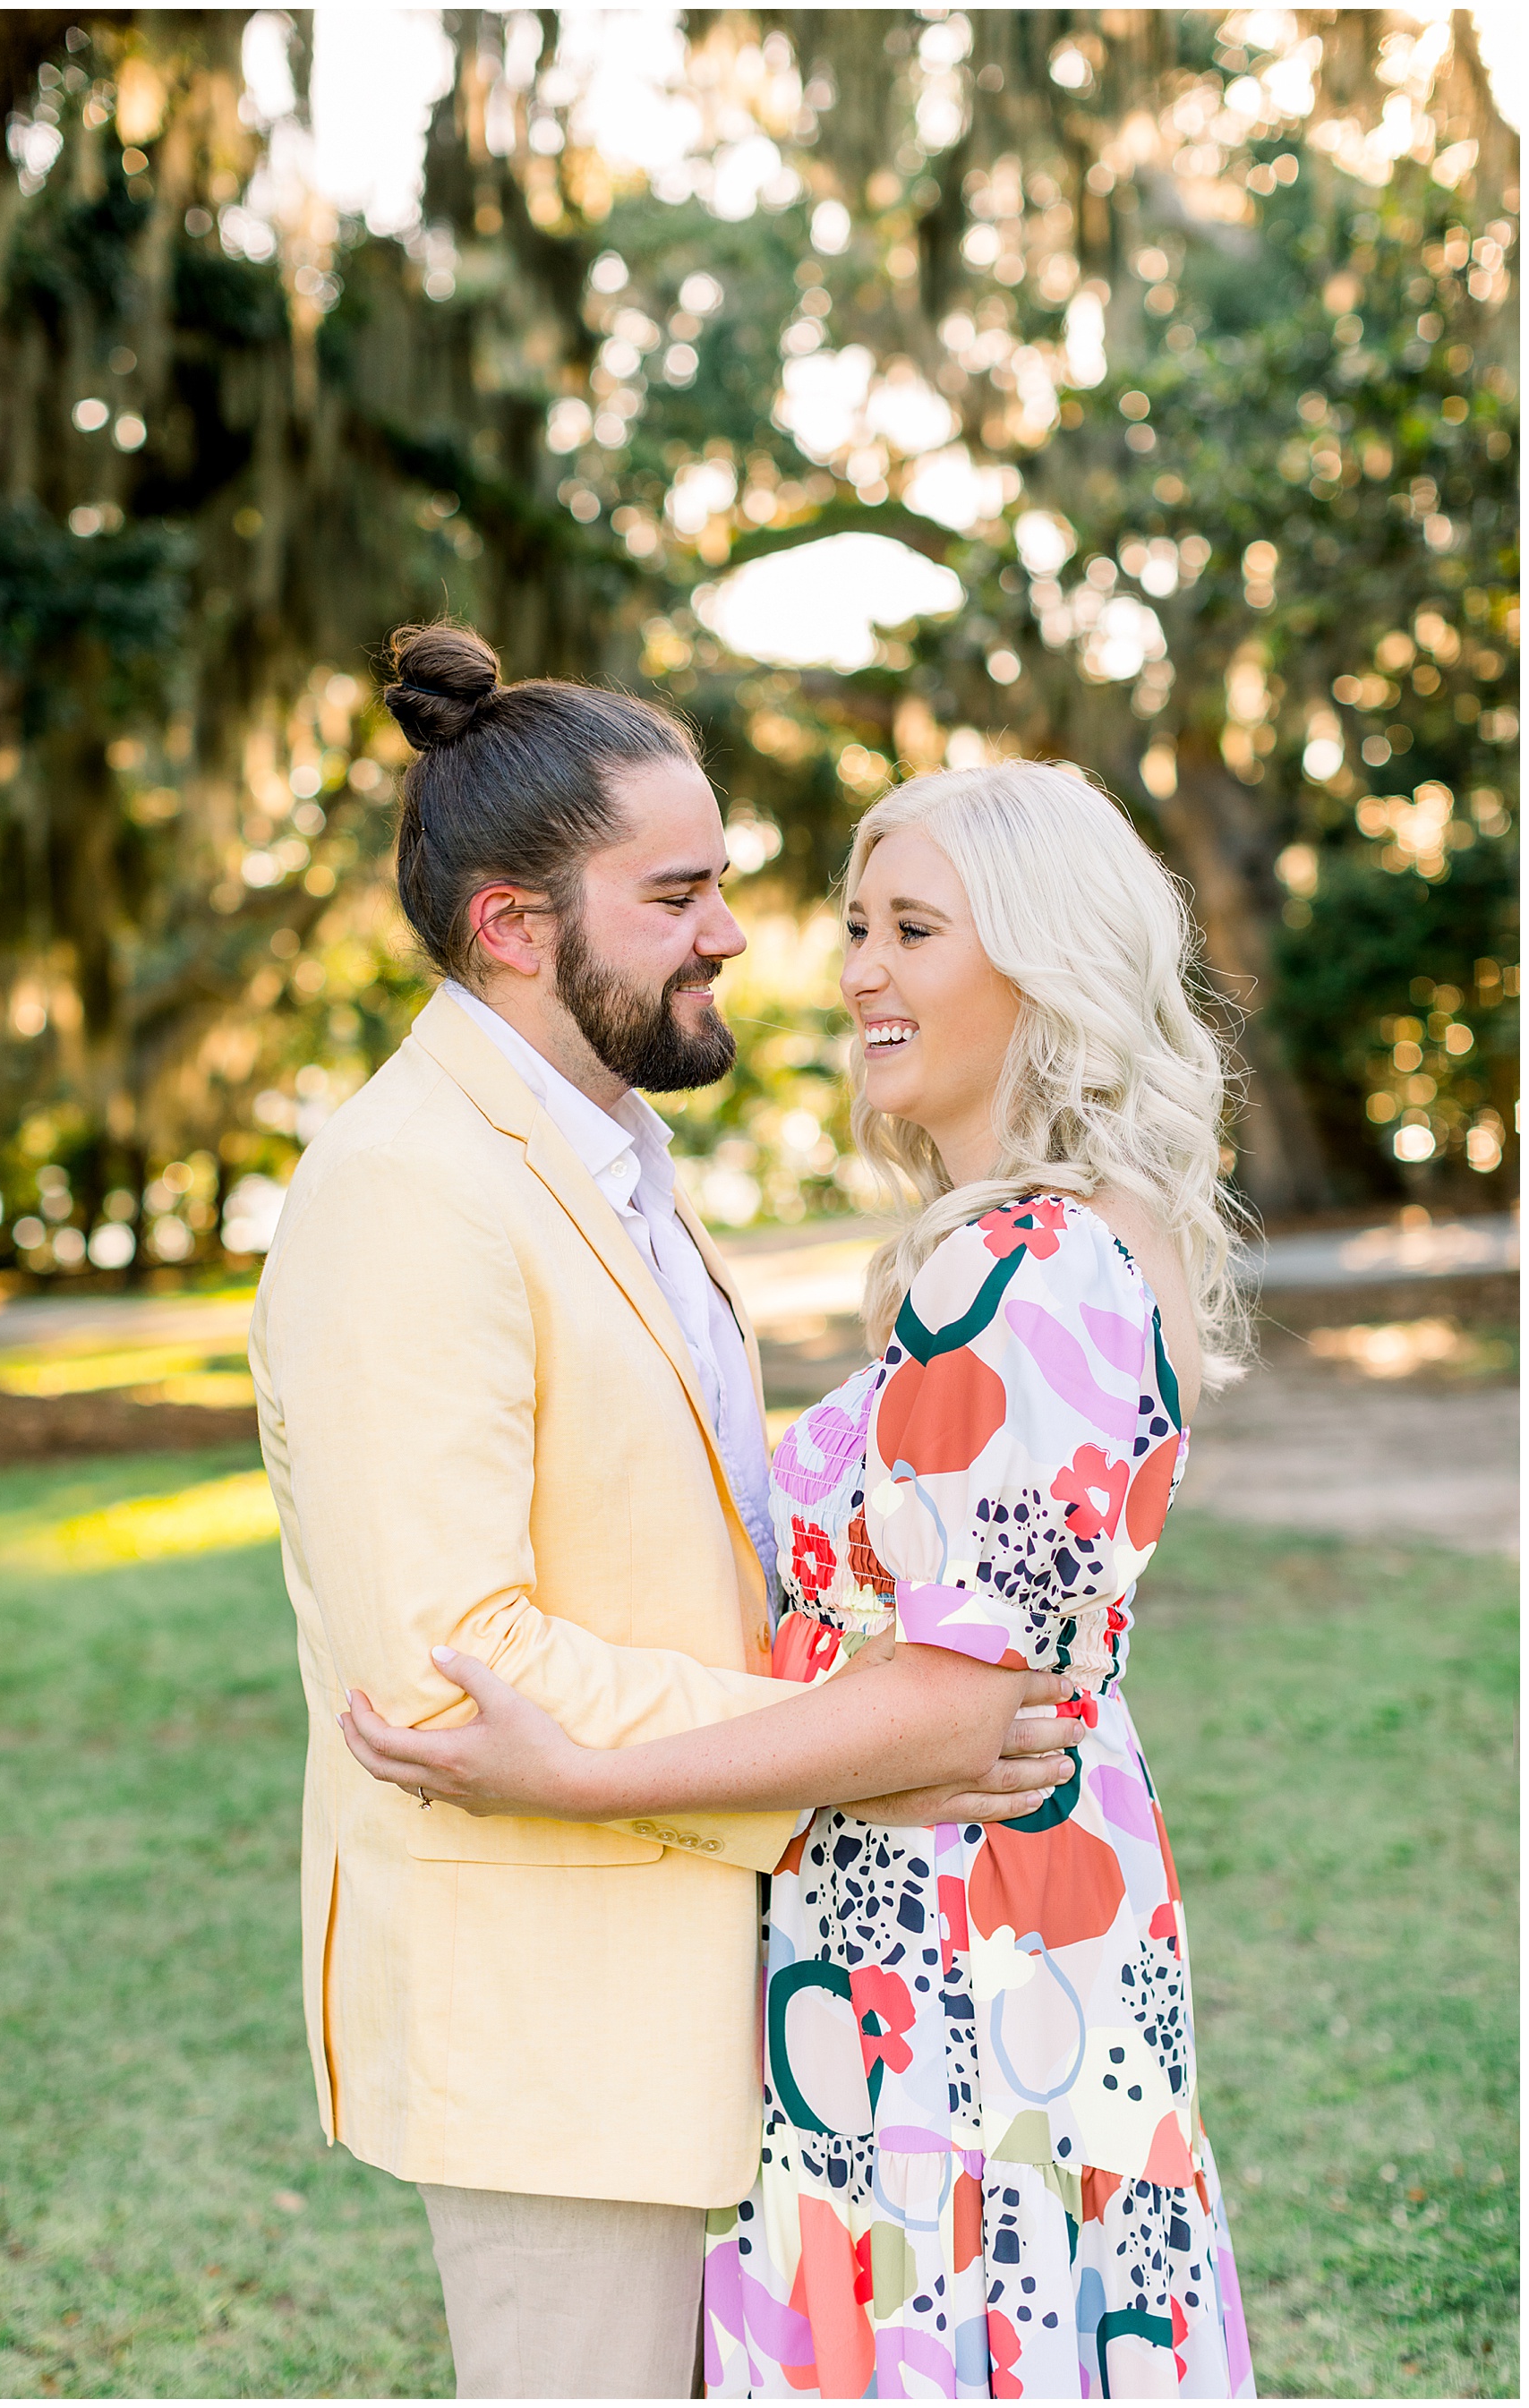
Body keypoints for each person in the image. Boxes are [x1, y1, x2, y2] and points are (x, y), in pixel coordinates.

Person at [343, 757, 1257, 2399]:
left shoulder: (1030, 1266)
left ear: (1041, 960)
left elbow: (953, 1693)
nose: (853, 972)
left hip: (954, 1946)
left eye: (913, 927)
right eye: (856, 924)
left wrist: (590, 1770)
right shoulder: (1050, 1241)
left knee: (954, 2327)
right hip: (975, 1910)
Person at [251, 624, 1072, 2402]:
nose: (730, 933)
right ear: (516, 928)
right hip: (553, 2017)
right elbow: (456, 1672)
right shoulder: (407, 1192)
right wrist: (849, 1742)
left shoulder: (618, 1156)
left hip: (718, 1987)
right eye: (677, 893)